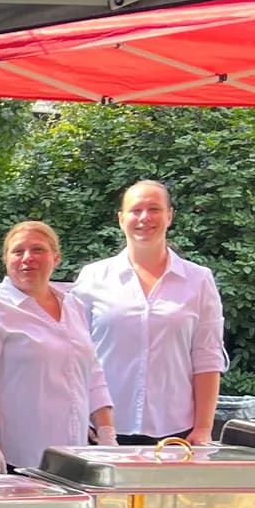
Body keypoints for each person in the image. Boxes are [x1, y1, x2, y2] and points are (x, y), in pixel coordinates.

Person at [71, 180, 228, 445]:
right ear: (121, 219)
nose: (145, 217)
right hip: (103, 430)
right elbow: (75, 354)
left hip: (177, 432)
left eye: (154, 209)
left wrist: (203, 427)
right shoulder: (93, 277)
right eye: (136, 210)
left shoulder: (199, 280)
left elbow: (207, 357)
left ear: (169, 216)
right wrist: (78, 415)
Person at [0, 220, 114, 473]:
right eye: (18, 251)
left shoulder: (73, 306)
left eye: (38, 249)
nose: (27, 258)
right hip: (11, 458)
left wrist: (107, 433)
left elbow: (92, 372)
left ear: (56, 258)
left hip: (71, 457)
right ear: (6, 259)